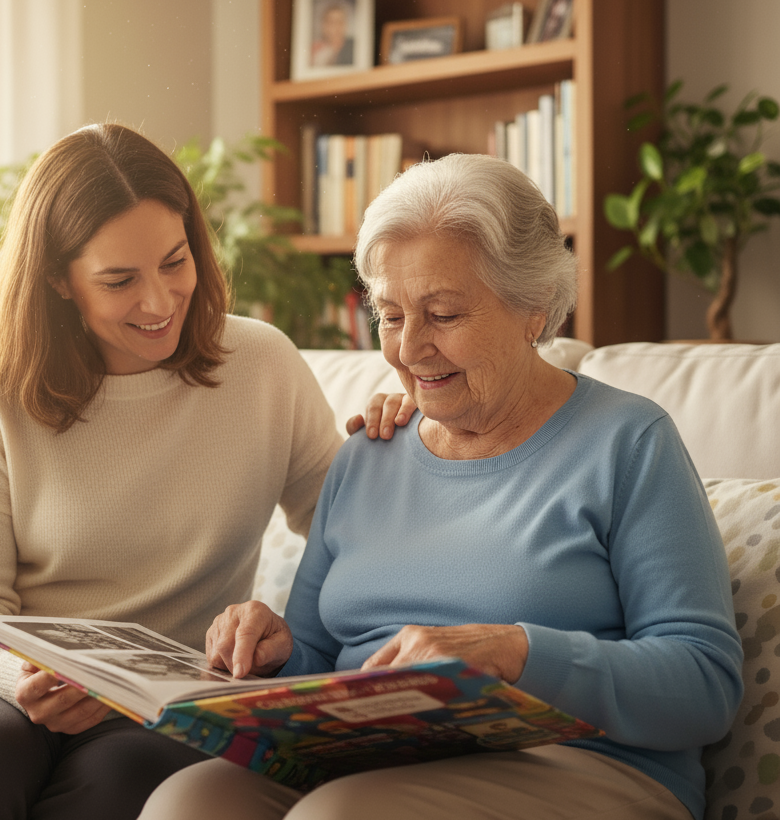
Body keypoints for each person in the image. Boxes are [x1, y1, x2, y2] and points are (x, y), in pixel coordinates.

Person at [138, 153, 744, 820]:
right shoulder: (368, 454)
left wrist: (518, 650)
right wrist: (271, 649)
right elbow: (314, 652)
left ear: (533, 309)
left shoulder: (628, 442)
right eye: (392, 315)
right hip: (369, 758)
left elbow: (704, 683)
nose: (409, 348)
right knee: (187, 802)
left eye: (444, 314)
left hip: (581, 765)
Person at [0, 123, 391, 820]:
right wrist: (17, 676)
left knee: (123, 778)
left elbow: (354, 534)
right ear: (59, 279)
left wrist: (406, 435)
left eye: (175, 262)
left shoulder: (262, 367)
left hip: (156, 699)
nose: (158, 301)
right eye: (119, 279)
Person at [310, 1, 354, 67]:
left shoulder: (353, 48)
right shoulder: (316, 51)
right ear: (323, 26)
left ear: (345, 25)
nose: (336, 27)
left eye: (339, 22)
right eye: (331, 22)